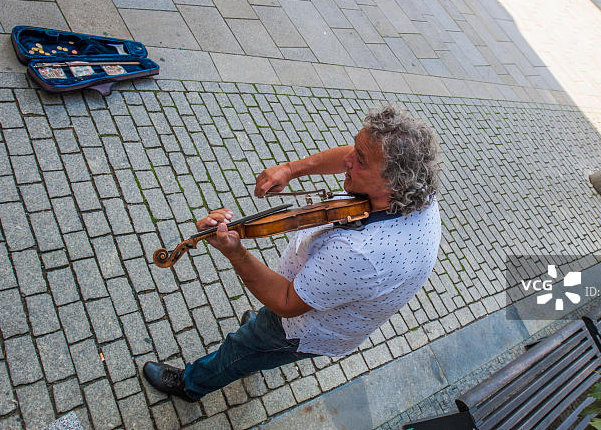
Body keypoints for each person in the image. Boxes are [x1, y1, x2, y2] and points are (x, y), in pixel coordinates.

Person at [142, 105, 442, 402]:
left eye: (359, 161)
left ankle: (190, 384)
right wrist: (290, 169)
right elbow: (359, 154)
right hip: (319, 293)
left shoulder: (362, 255)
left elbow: (286, 302)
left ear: (394, 182)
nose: (347, 160)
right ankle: (257, 332)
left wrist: (235, 253)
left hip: (301, 328)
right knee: (258, 326)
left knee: (239, 349)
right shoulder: (417, 188)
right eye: (355, 147)